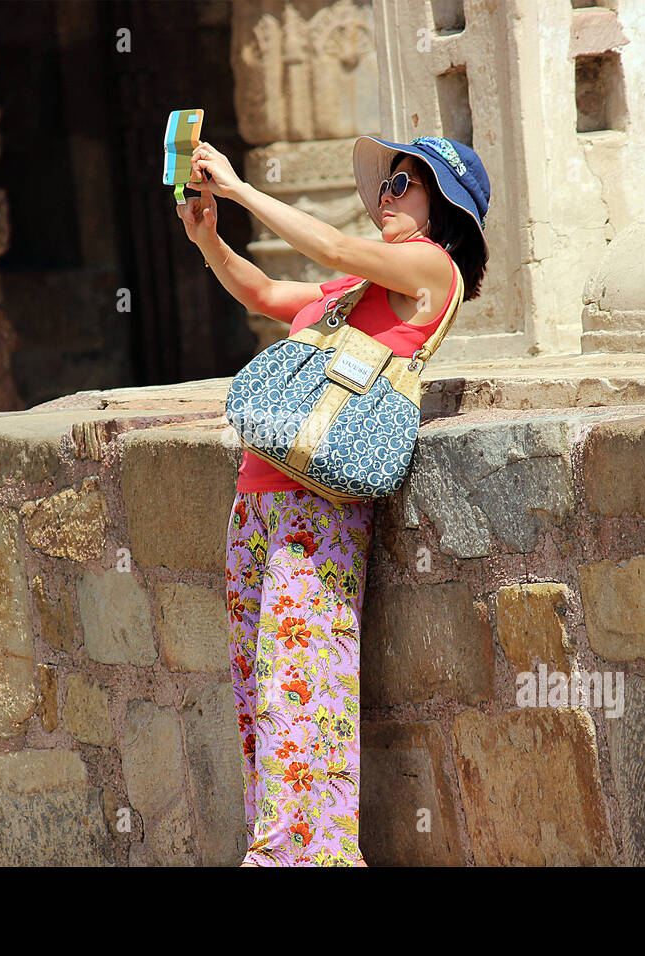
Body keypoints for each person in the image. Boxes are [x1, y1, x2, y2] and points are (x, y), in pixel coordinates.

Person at [178, 134, 491, 867]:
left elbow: (331, 246)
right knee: (263, 695)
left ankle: (295, 859)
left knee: (300, 689)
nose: (388, 193)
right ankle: (288, 849)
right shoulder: (356, 293)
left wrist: (241, 189)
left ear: (443, 206)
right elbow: (263, 295)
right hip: (257, 499)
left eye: (406, 182)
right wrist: (210, 241)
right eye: (388, 182)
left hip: (316, 507)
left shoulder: (429, 269)